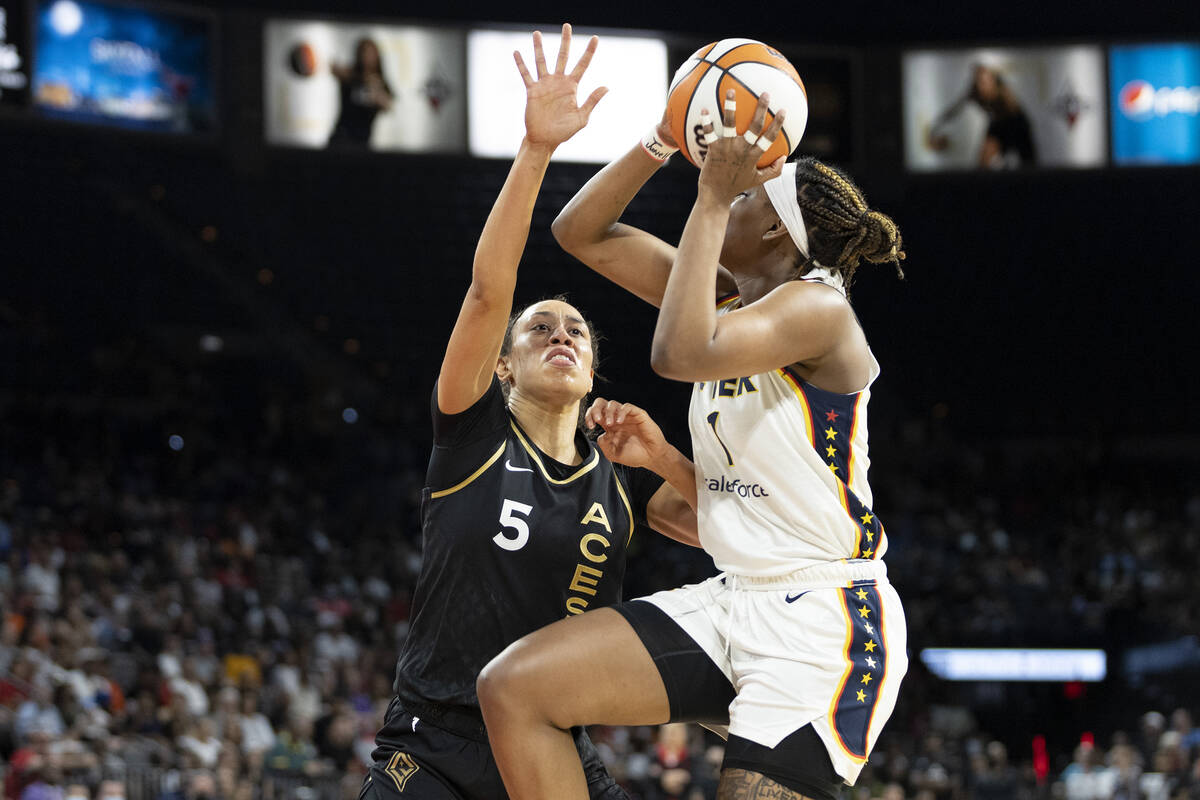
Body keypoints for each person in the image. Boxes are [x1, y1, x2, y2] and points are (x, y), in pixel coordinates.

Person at [478, 90, 909, 800]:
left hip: (825, 628)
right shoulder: (731, 300)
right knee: (516, 689)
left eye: (748, 199)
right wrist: (664, 135)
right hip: (738, 596)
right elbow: (579, 231)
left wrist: (712, 198)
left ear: (777, 234)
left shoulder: (820, 309)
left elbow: (678, 352)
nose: (730, 198)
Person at [361, 24, 700, 800]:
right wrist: (535, 149)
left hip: (549, 750)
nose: (561, 334)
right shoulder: (472, 429)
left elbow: (735, 529)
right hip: (435, 745)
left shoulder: (618, 473)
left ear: (592, 371)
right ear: (504, 365)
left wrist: (664, 460)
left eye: (576, 329)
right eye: (539, 327)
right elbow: (489, 292)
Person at [926, 63, 1037, 169]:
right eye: (978, 81)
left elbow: (1016, 117)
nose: (981, 86)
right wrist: (936, 126)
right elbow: (955, 109)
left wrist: (1006, 147)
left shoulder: (1003, 94)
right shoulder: (975, 92)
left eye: (984, 81)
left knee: (1027, 160)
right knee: (984, 156)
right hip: (996, 123)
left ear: (993, 80)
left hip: (1015, 123)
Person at [327, 38, 395, 148]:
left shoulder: (379, 81)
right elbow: (338, 71)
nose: (367, 57)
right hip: (341, 137)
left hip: (363, 140)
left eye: (371, 53)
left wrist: (375, 92)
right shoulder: (351, 76)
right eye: (364, 52)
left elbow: (388, 105)